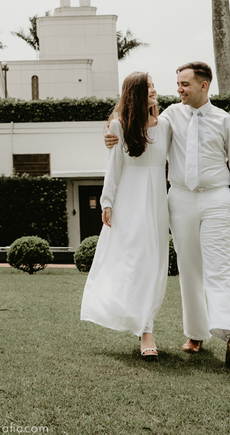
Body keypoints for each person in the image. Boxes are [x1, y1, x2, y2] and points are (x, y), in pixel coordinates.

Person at [104, 61, 230, 367]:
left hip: (217, 199)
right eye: (178, 84)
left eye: (185, 84)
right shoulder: (170, 116)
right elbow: (138, 129)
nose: (179, 89)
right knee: (189, 269)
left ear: (203, 85)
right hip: (180, 199)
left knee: (219, 268)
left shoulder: (225, 121)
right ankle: (196, 334)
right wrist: (110, 136)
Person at [80, 72, 173, 360]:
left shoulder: (167, 125)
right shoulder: (119, 125)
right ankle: (144, 330)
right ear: (136, 94)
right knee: (132, 261)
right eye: (149, 88)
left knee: (155, 263)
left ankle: (146, 325)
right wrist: (107, 202)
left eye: (155, 87)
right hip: (128, 201)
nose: (155, 92)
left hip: (157, 202)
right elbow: (114, 166)